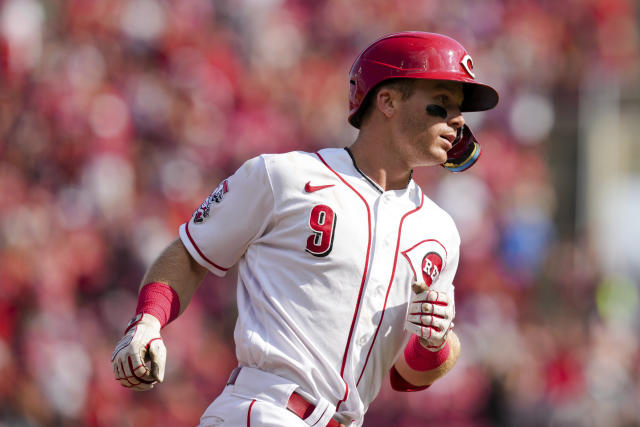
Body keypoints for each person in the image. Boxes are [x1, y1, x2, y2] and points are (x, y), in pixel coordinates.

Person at [111, 31, 499, 427]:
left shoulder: (439, 230)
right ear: (387, 100)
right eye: (442, 104)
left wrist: (435, 343)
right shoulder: (286, 176)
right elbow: (192, 254)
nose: (458, 121)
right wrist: (147, 322)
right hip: (266, 409)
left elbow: (408, 375)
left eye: (460, 109)